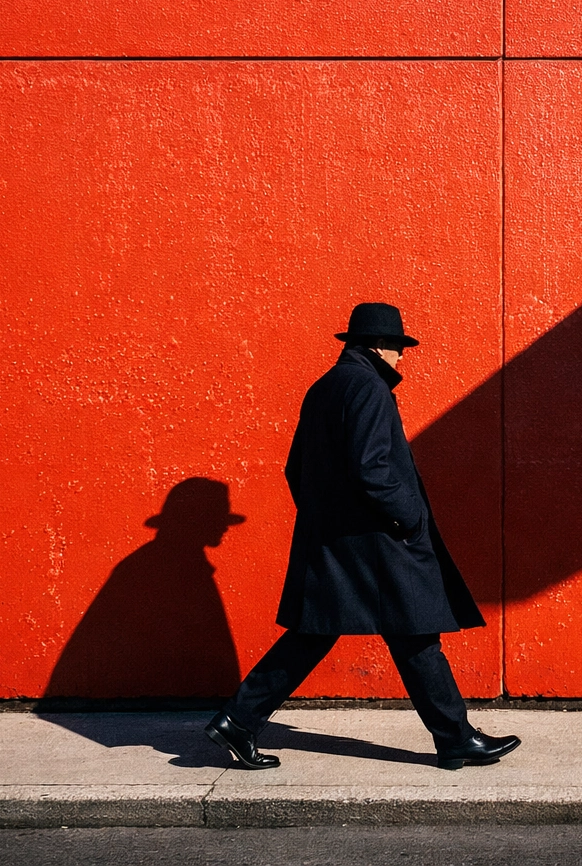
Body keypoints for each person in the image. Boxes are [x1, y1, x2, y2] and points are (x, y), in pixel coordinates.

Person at [206, 302, 520, 771]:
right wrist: (409, 517)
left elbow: (297, 469)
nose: (401, 359)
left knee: (321, 633)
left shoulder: (326, 387)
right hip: (380, 542)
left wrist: (326, 517)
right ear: (380, 347)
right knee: (414, 633)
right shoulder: (369, 388)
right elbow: (372, 469)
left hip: (338, 541)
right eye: (398, 348)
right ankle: (455, 739)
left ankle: (238, 720)